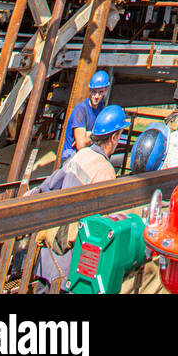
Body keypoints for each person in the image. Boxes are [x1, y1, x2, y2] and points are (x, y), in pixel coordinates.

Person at [30, 105, 128, 291]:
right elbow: (103, 227)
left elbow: (50, 185)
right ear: (114, 137)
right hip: (70, 267)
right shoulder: (105, 172)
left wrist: (32, 195)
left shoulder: (80, 155)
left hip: (50, 256)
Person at [60, 69, 111, 164]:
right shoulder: (80, 110)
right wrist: (94, 136)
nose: (96, 96)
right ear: (89, 90)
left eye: (100, 92)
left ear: (105, 91)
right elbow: (81, 144)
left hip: (85, 156)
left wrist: (89, 135)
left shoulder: (101, 108)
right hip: (71, 158)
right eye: (94, 92)